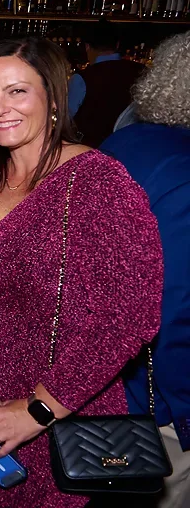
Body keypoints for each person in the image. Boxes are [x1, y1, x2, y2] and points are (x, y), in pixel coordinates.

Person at [0, 36, 164, 508]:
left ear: (52, 98)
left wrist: (40, 408)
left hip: (57, 418)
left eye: (17, 91)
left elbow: (131, 313)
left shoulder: (98, 181)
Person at [102, 29, 190, 508]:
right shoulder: (184, 172)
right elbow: (174, 305)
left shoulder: (122, 142)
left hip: (103, 386)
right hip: (162, 403)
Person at [67, 19, 145, 146]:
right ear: (117, 45)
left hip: (90, 152)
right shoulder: (142, 72)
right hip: (132, 147)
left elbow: (65, 119)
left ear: (87, 47)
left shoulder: (82, 78)